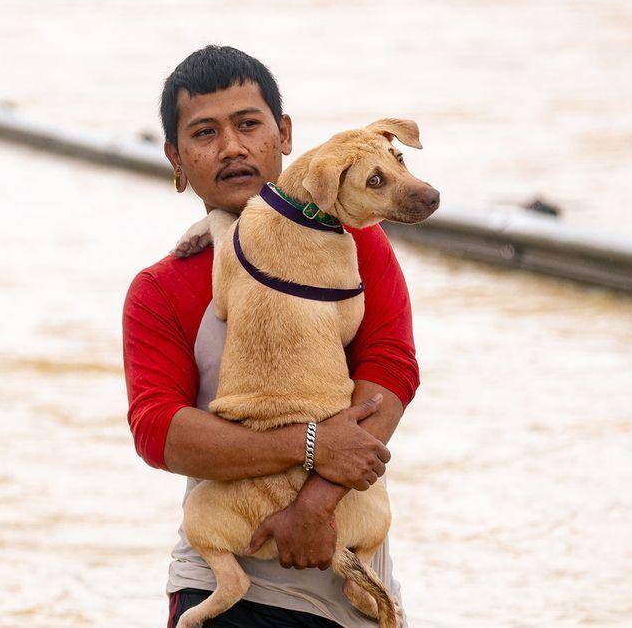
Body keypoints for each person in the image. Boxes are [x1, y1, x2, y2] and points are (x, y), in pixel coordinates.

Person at [123, 46, 419, 628]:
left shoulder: (358, 243)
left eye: (249, 124)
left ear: (285, 135)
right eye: (204, 133)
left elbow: (392, 368)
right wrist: (310, 445)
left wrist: (315, 505)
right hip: (223, 588)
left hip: (351, 581)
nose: (232, 147)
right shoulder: (161, 289)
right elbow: (160, 431)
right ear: (175, 158)